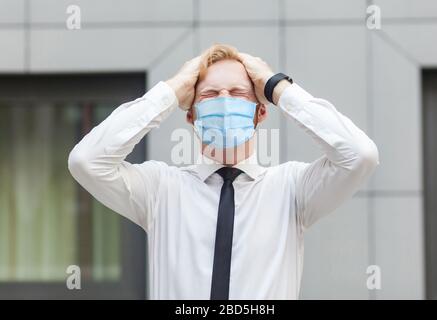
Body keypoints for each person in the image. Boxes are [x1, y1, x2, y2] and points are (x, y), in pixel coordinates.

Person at [68, 43, 379, 300]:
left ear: (260, 111)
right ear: (190, 115)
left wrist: (276, 85)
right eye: (210, 95)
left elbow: (359, 155)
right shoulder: (160, 189)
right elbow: (86, 161)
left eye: (238, 93)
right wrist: (172, 90)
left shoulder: (292, 189)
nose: (226, 103)